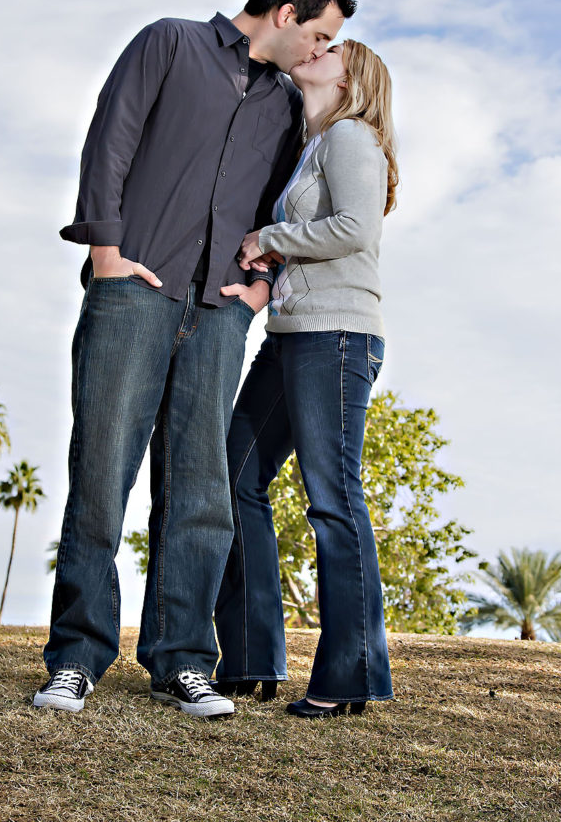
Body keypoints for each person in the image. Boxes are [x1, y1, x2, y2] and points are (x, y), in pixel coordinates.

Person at [33, 0, 356, 717]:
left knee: (201, 489)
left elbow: (281, 204)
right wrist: (106, 252)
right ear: (285, 15)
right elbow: (109, 141)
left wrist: (257, 288)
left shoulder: (283, 105)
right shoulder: (168, 44)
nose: (318, 51)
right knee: (101, 475)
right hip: (134, 292)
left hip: (217, 311)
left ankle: (182, 659)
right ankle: (75, 658)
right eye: (317, 35)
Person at [213, 38, 398, 718]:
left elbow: (353, 227)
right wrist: (267, 282)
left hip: (337, 336)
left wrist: (268, 239)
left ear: (352, 77)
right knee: (235, 474)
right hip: (293, 334)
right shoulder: (313, 146)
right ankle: (252, 654)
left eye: (331, 48)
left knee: (331, 497)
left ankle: (348, 675)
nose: (314, 50)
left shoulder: (351, 135)